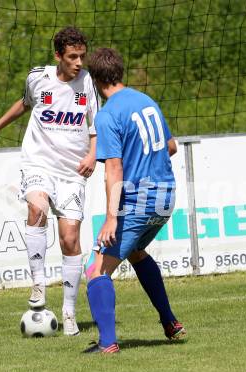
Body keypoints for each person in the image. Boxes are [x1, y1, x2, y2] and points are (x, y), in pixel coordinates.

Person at [0, 27, 100, 336]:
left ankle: (69, 312)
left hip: (72, 172)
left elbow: (95, 127)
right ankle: (39, 283)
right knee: (37, 208)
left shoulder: (88, 84)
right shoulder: (38, 78)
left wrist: (93, 155)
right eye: (72, 57)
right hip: (38, 163)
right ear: (58, 56)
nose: (79, 62)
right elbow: (24, 103)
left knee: (70, 238)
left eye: (82, 56)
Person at [84, 48, 186, 353]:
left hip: (139, 201)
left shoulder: (108, 115)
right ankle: (170, 322)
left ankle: (107, 344)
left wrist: (111, 218)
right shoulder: (146, 102)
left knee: (96, 271)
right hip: (166, 197)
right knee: (137, 252)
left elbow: (113, 169)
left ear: (95, 79)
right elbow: (171, 146)